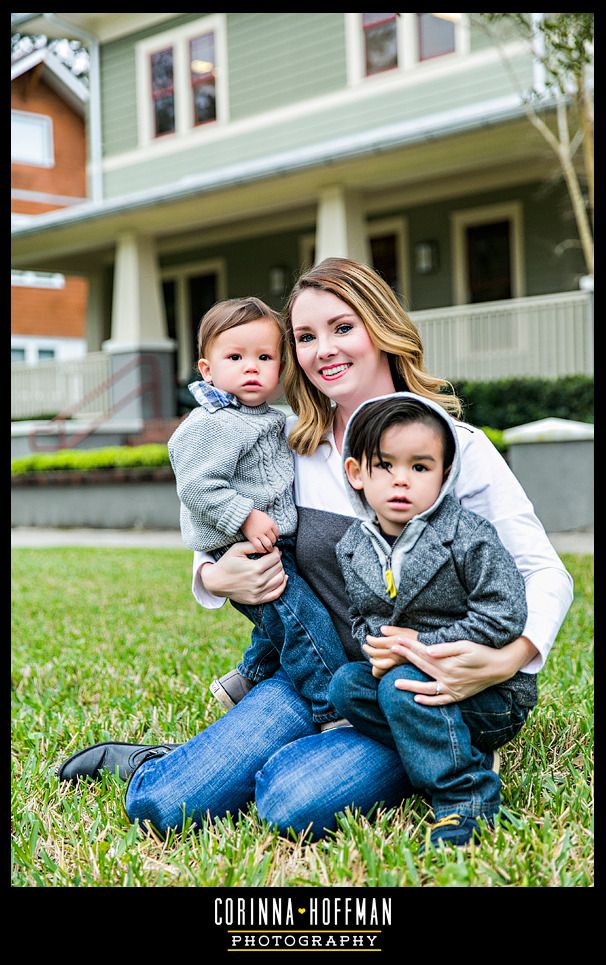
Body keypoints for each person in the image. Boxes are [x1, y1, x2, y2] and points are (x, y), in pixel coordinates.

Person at [58, 258, 573, 849]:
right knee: (161, 804)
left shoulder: (457, 449)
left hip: (419, 690)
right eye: (305, 337)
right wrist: (213, 574)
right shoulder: (288, 447)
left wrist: (511, 657)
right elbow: (222, 514)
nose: (323, 348)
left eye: (342, 327)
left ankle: (438, 750)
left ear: (381, 329)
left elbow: (543, 572)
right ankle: (184, 761)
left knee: (292, 803)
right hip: (316, 678)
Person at [329, 392, 531, 849]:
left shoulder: (467, 536)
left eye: (420, 468)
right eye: (386, 466)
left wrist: (421, 646)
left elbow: (506, 612)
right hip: (411, 686)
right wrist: (374, 647)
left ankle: (465, 799)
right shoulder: (353, 547)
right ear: (357, 473)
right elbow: (361, 617)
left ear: (444, 476)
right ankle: (463, 755)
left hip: (486, 692)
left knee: (399, 687)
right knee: (346, 685)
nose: (402, 480)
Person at [167, 296, 348, 727]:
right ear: (207, 369)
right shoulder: (211, 423)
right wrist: (244, 517)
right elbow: (196, 485)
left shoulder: (268, 418)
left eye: (264, 357)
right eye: (235, 356)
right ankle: (333, 709)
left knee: (280, 627)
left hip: (272, 543)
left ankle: (246, 679)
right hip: (249, 547)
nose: (252, 367)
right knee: (303, 624)